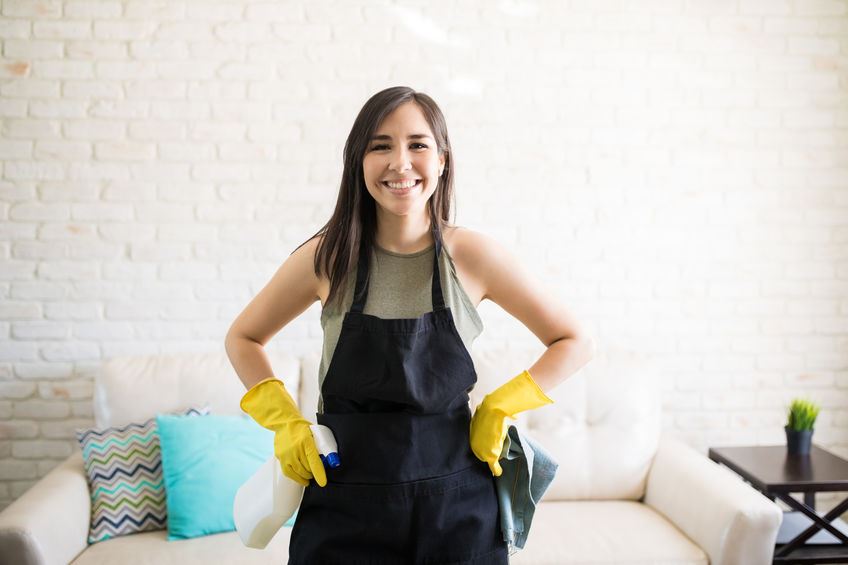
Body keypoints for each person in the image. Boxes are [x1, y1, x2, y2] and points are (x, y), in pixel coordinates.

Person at [225, 86, 595, 564]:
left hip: (459, 512)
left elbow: (575, 340)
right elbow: (243, 337)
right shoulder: (328, 259)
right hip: (343, 512)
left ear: (442, 160)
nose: (400, 162)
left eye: (417, 144)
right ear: (358, 162)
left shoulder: (473, 257)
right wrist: (284, 422)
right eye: (381, 146)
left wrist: (504, 404)